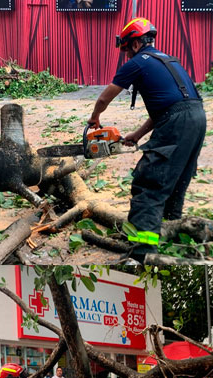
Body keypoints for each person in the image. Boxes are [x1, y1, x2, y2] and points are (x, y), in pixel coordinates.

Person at [88, 18, 206, 263]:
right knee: (174, 184)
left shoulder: (137, 63)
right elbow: (169, 108)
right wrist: (137, 135)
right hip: (197, 119)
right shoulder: (169, 60)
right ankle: (171, 238)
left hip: (177, 122)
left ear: (134, 43)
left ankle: (142, 252)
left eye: (127, 49)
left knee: (149, 186)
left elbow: (104, 98)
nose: (126, 54)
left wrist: (94, 120)